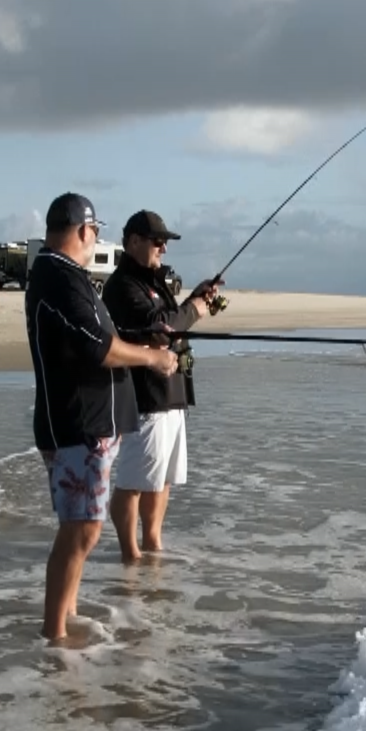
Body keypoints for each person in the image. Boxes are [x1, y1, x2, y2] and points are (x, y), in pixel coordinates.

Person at [26, 192, 180, 643]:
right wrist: (152, 357)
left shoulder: (65, 275)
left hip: (88, 424)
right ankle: (54, 636)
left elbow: (95, 338)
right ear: (83, 230)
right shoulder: (59, 277)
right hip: (79, 425)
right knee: (83, 529)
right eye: (95, 231)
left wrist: (146, 344)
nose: (95, 239)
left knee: (80, 527)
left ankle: (67, 616)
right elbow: (100, 347)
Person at [102, 210, 223, 563]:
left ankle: (153, 542)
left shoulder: (154, 281)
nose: (163, 248)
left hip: (173, 395)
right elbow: (161, 328)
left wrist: (196, 298)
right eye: (158, 242)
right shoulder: (122, 286)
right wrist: (194, 309)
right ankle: (130, 553)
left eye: (165, 242)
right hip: (146, 398)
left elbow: (171, 317)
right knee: (133, 482)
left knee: (162, 479)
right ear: (133, 241)